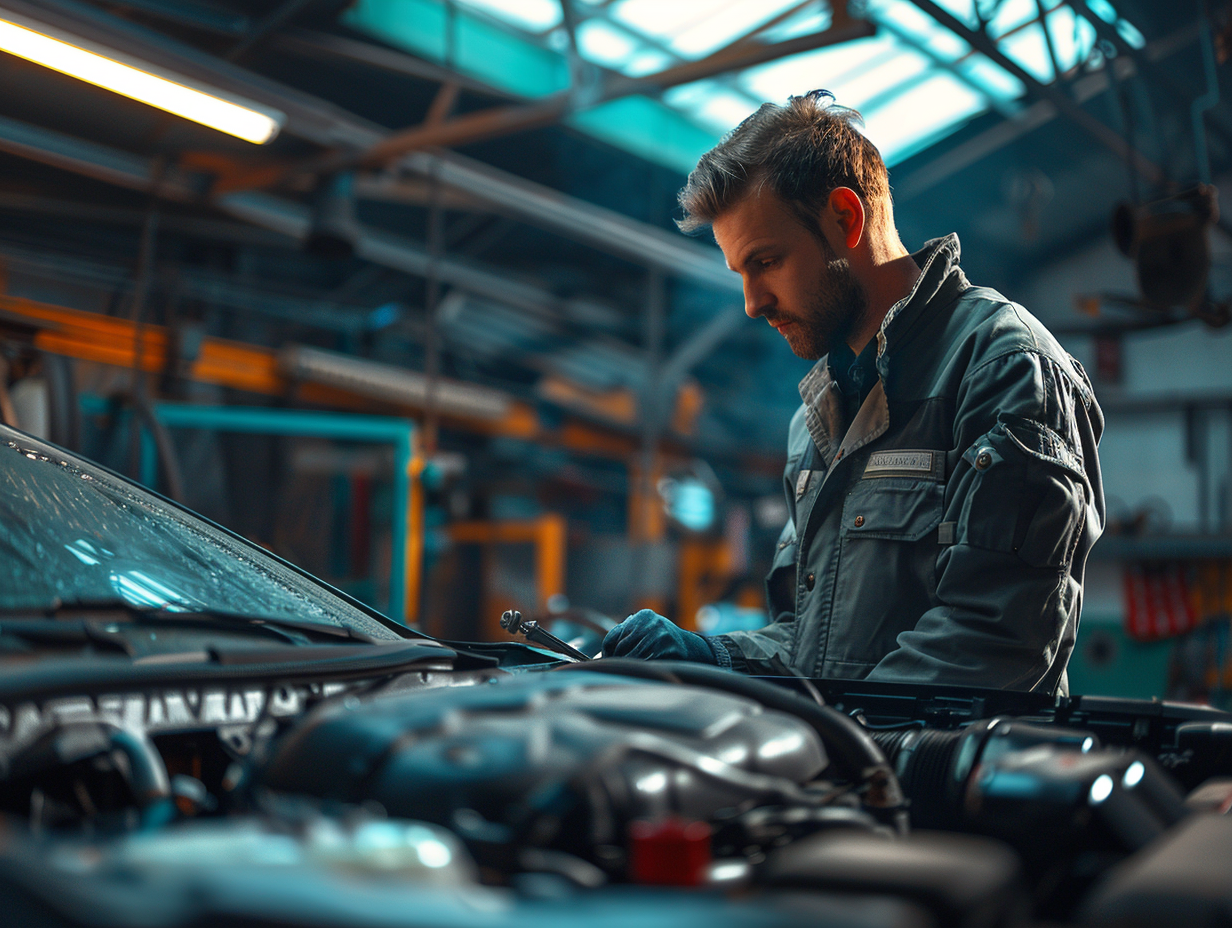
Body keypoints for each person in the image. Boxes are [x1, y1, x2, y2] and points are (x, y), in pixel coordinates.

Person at [602, 90, 1104, 695]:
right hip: (847, 778)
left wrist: (832, 742)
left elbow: (994, 641)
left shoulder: (1001, 367)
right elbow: (811, 642)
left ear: (846, 219)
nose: (752, 302)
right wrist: (710, 655)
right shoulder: (818, 419)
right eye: (741, 272)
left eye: (766, 261)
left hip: (944, 781)